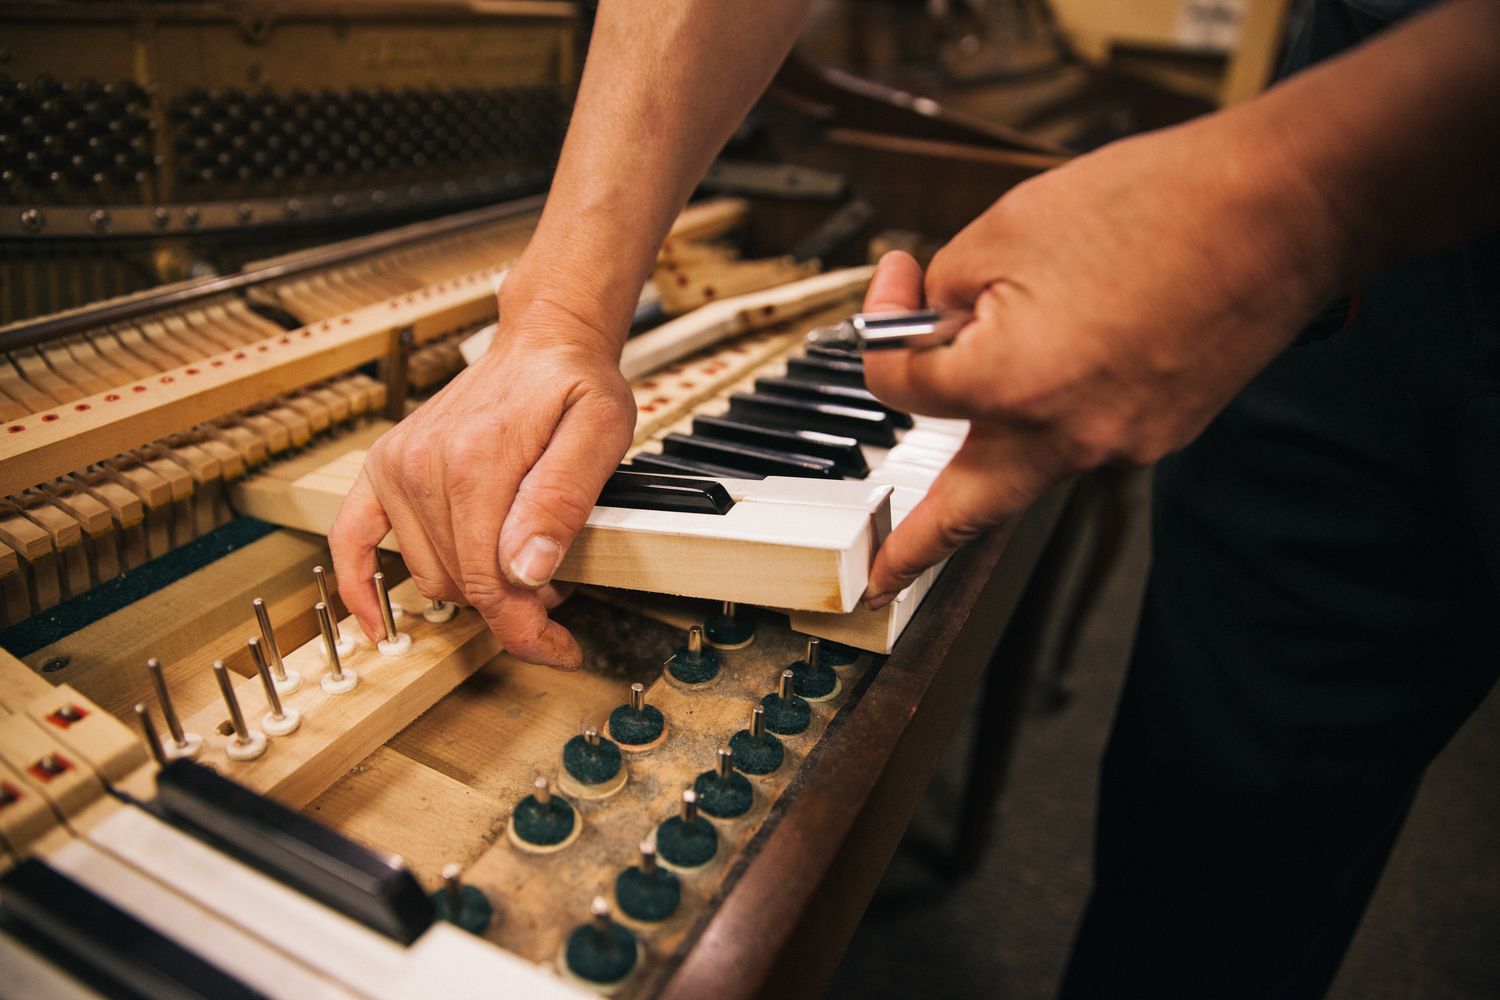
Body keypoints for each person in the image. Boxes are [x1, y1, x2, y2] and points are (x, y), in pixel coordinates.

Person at [330, 1, 1500, 994]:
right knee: (1227, 833)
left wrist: (1295, 196)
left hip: (1393, 159)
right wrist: (564, 312)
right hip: (1369, 212)